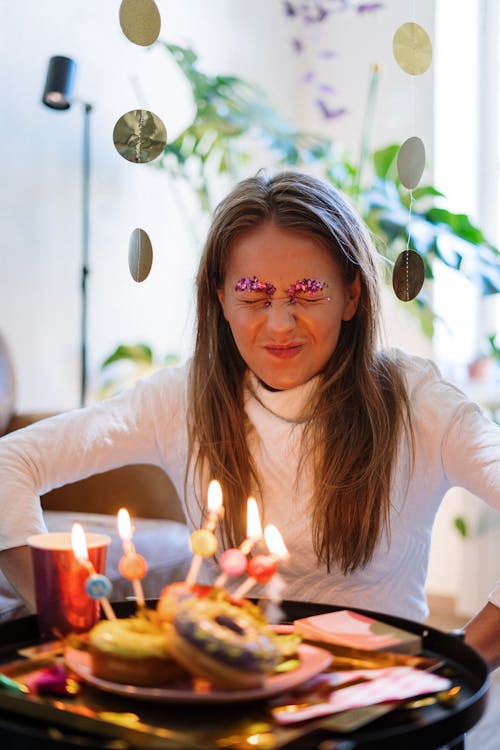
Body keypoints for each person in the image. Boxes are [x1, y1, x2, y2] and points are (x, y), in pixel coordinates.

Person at [0, 170, 499, 668]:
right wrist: (63, 619)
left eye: (307, 293)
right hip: (233, 698)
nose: (280, 323)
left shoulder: (420, 403)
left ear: (351, 296)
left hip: (376, 709)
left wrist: (460, 658)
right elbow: (9, 463)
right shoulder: (179, 399)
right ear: (220, 298)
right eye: (255, 295)